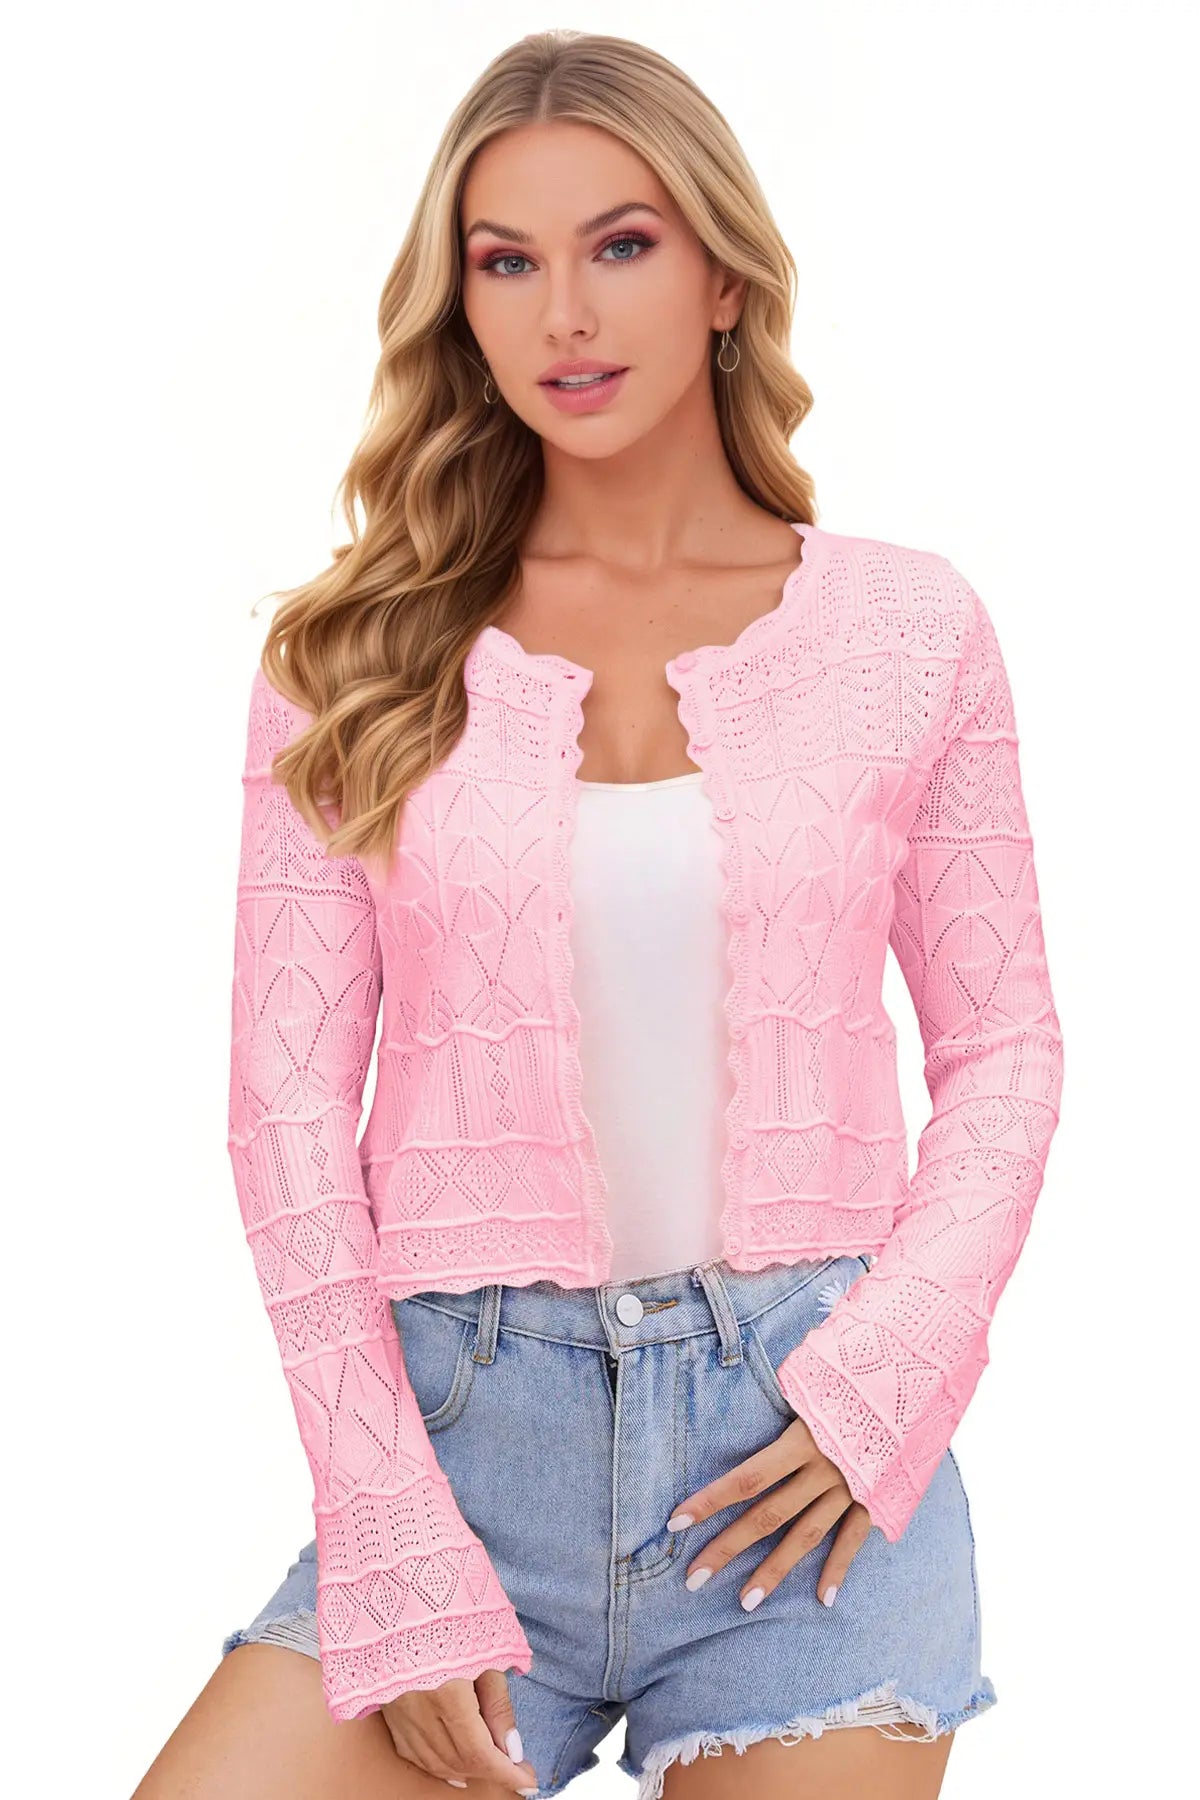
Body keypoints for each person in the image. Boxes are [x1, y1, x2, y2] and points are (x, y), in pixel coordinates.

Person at [132, 28, 1063, 1800]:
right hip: (462, 1455)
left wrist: (888, 1386)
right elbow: (284, 1117)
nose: (565, 312)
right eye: (507, 261)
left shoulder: (909, 633)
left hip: (802, 1471)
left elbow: (1007, 1052)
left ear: (723, 277)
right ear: (463, 308)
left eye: (620, 244)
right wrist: (388, 1528)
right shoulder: (350, 656)